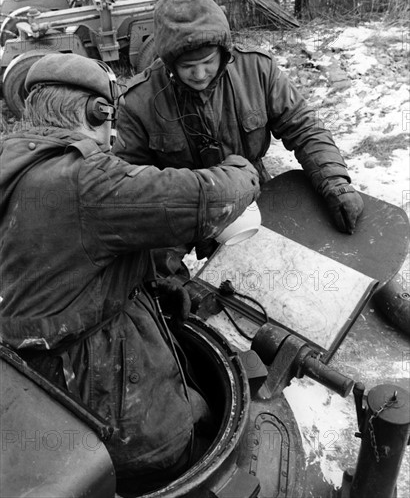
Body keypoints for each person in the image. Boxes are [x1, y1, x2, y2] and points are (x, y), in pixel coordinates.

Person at [0, 53, 259, 493]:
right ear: (95, 112)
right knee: (170, 446)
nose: (110, 139)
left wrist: (154, 280)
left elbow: (71, 255)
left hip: (30, 383)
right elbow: (205, 199)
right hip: (92, 376)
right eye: (108, 123)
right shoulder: (82, 177)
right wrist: (244, 169)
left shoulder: (17, 162)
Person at [113, 0, 364, 264]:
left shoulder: (257, 70)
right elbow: (132, 188)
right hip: (182, 209)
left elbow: (304, 127)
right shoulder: (139, 101)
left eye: (208, 62)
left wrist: (335, 183)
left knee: (278, 266)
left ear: (224, 50)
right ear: (170, 62)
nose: (199, 74)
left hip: (254, 194)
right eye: (187, 67)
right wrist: (154, 269)